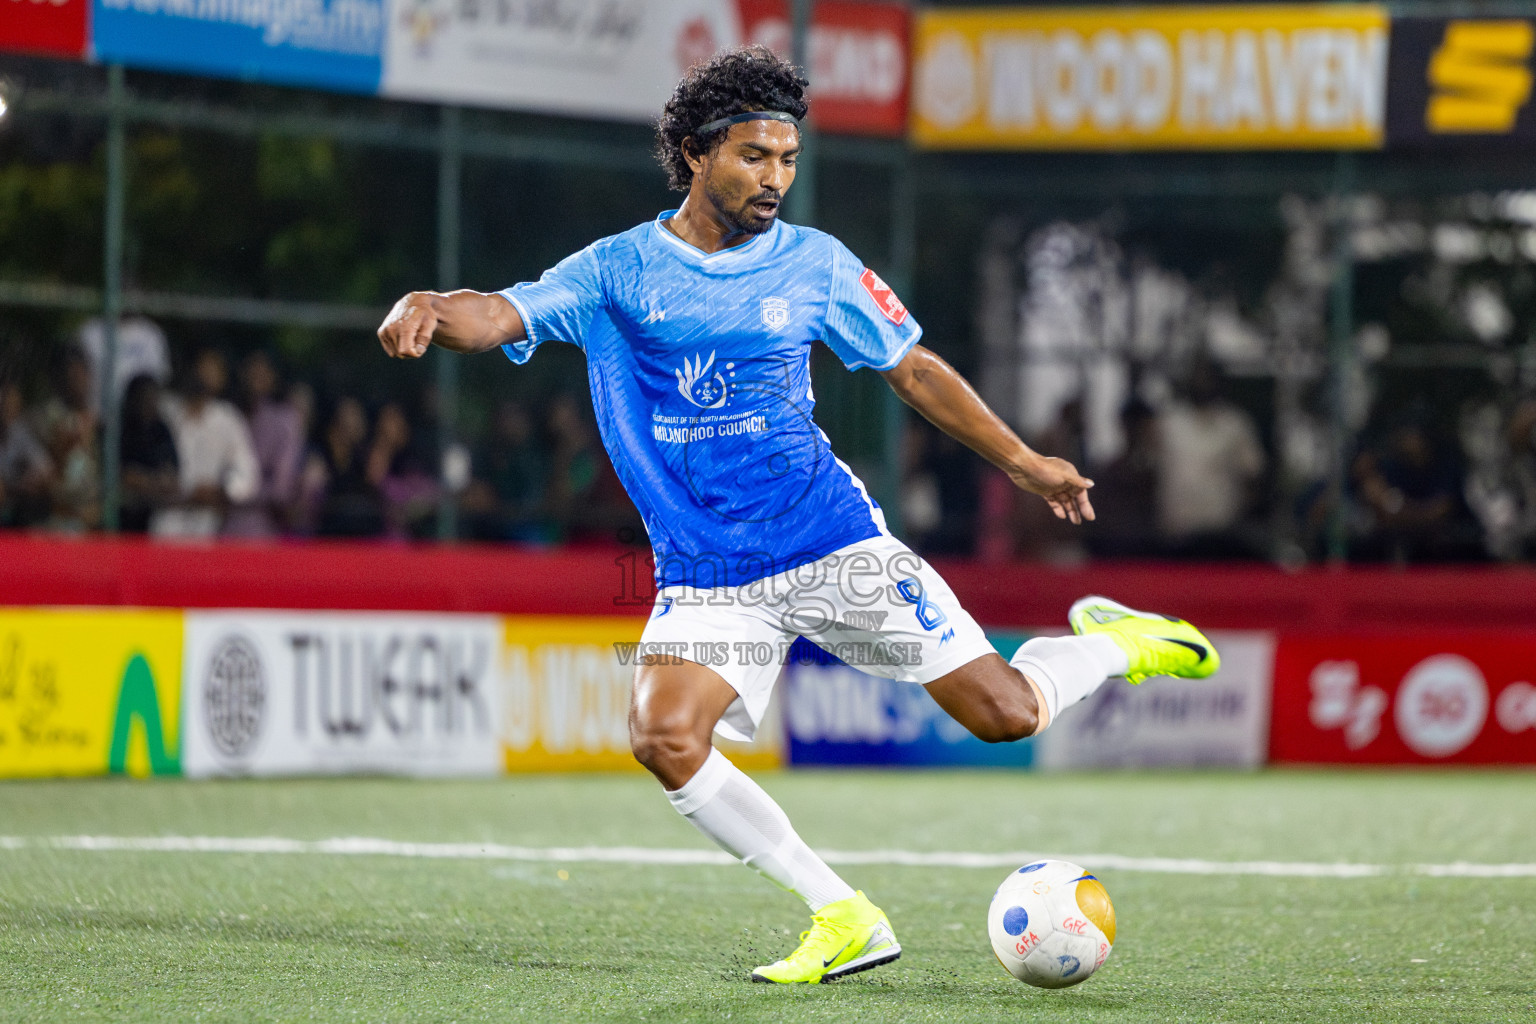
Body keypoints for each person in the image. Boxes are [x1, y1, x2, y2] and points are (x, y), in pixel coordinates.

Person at [376, 46, 1219, 985]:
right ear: (697, 154)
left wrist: (1021, 461)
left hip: (829, 542)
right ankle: (843, 914)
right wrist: (427, 304)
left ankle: (1114, 641)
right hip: (706, 571)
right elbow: (499, 312)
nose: (775, 178)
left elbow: (913, 367)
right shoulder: (616, 271)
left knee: (1007, 714)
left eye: (787, 159)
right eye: (753, 158)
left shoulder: (817, 264)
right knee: (661, 735)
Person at [154, 348, 259, 538]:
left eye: (212, 371)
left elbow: (247, 473)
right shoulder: (166, 412)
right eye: (201, 369)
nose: (204, 376)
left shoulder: (228, 418)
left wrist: (221, 491)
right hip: (164, 519)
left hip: (207, 525)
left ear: (222, 378)